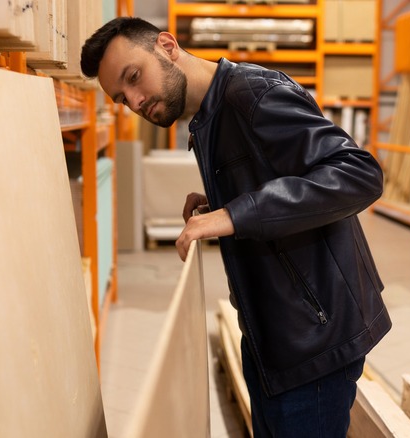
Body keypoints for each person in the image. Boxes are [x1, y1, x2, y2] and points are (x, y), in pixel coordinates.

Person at [81, 17, 391, 437]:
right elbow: (278, 178)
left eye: (134, 77)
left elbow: (359, 173)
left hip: (313, 343)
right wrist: (224, 201)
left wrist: (234, 213)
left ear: (167, 46)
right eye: (121, 98)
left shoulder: (254, 96)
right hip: (272, 335)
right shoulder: (209, 116)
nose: (134, 101)